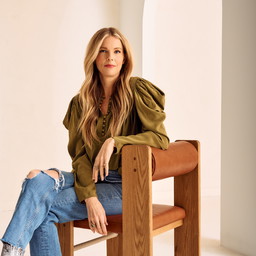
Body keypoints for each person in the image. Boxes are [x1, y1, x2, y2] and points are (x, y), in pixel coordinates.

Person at [1, 27, 169, 256]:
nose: (110, 57)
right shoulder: (81, 102)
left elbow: (160, 138)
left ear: (125, 58)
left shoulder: (137, 90)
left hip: (126, 187)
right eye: (103, 51)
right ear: (94, 57)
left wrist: (114, 141)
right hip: (90, 179)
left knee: (42, 207)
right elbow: (80, 157)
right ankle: (12, 249)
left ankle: (10, 250)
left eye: (117, 51)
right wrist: (90, 197)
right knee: (36, 178)